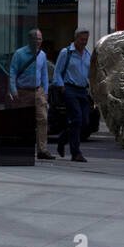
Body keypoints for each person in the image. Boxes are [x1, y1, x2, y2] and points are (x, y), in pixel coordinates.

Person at [7, 28, 54, 160]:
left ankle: (42, 150)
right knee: (23, 121)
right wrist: (14, 90)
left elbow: (44, 74)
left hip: (38, 91)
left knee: (43, 120)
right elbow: (13, 72)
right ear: (29, 40)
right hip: (23, 91)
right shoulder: (19, 54)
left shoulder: (42, 55)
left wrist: (45, 92)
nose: (38, 41)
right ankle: (21, 147)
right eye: (35, 39)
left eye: (40, 39)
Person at [54, 29, 93, 163]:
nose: (84, 42)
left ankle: (62, 139)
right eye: (82, 39)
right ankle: (76, 153)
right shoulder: (66, 53)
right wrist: (62, 87)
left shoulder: (88, 55)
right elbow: (57, 72)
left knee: (85, 122)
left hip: (83, 90)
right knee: (76, 118)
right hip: (69, 89)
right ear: (75, 38)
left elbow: (90, 75)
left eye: (86, 40)